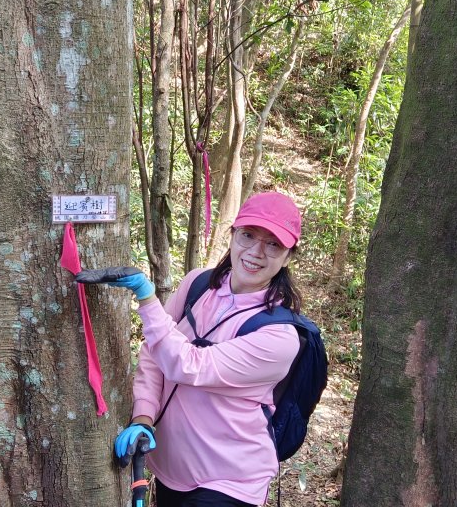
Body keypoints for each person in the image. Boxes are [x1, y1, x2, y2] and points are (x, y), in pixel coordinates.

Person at [85, 191, 304, 507]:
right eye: (248, 235)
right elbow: (154, 353)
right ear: (232, 235)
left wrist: (147, 297)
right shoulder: (197, 285)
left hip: (230, 482)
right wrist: (143, 417)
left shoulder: (279, 337)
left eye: (273, 244)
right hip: (173, 472)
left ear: (288, 256)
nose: (256, 251)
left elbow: (189, 365)